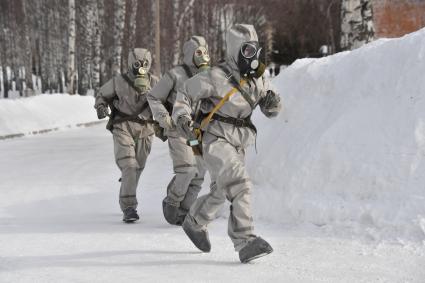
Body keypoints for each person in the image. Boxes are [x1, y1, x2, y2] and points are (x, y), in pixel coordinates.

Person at [172, 24, 282, 263]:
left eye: (255, 51)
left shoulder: (259, 77)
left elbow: (271, 106)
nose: (253, 57)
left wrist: (272, 102)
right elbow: (185, 93)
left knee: (221, 190)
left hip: (240, 140)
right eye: (247, 51)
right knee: (240, 184)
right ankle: (245, 241)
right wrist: (182, 116)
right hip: (216, 138)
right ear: (236, 50)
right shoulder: (215, 76)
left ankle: (195, 222)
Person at [147, 36, 210, 226]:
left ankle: (184, 210)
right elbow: (153, 96)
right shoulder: (174, 75)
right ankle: (172, 202)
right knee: (187, 170)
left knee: (199, 173)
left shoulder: (209, 77)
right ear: (190, 54)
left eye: (206, 52)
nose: (204, 56)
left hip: (196, 133)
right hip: (177, 130)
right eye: (199, 52)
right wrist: (163, 118)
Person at [94, 48, 158, 223]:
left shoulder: (155, 82)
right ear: (130, 63)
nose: (141, 68)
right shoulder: (119, 82)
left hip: (146, 130)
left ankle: (127, 185)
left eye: (145, 64)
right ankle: (129, 207)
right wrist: (101, 106)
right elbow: (101, 94)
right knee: (129, 165)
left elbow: (168, 101)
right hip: (123, 127)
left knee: (138, 167)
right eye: (137, 64)